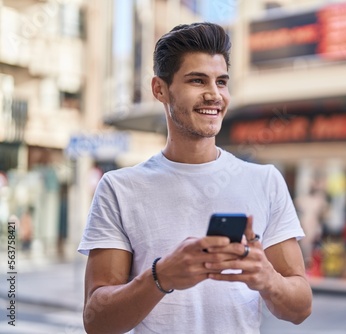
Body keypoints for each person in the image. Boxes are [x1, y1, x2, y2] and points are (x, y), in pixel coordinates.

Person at [78, 22, 312, 334]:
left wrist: (267, 279)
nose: (214, 95)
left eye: (222, 82)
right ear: (160, 89)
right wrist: (161, 277)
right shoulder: (119, 188)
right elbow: (96, 321)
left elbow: (300, 309)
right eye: (197, 80)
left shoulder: (266, 181)